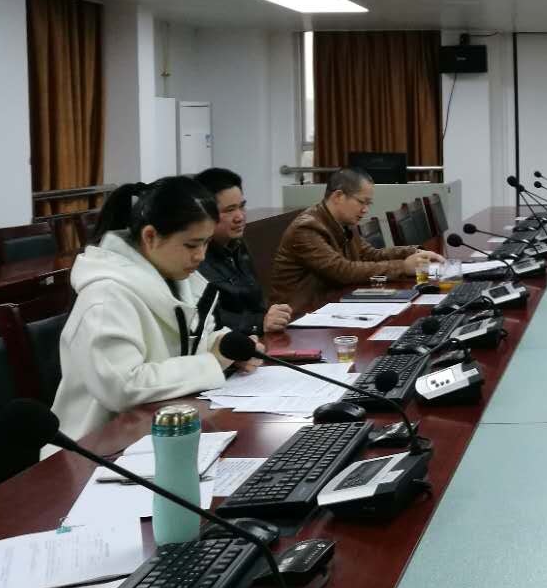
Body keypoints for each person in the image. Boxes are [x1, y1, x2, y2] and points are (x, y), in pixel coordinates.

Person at [51, 176, 263, 446]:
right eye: (191, 245)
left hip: (165, 428)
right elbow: (123, 387)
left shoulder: (179, 278)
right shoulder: (106, 297)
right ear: (150, 237)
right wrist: (214, 361)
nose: (200, 256)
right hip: (97, 448)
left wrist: (223, 346)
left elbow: (187, 342)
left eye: (206, 243)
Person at [271, 167, 444, 314]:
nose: (365, 209)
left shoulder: (344, 222)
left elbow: (370, 255)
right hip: (300, 314)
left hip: (332, 304)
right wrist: (403, 267)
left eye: (369, 203)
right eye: (362, 202)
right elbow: (342, 271)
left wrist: (414, 252)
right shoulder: (307, 228)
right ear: (338, 196)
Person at [195, 167, 292, 336]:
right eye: (229, 210)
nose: (240, 216)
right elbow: (207, 318)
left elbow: (255, 302)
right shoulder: (195, 257)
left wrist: (271, 316)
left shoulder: (237, 245)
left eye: (242, 206)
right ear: (205, 213)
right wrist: (259, 322)